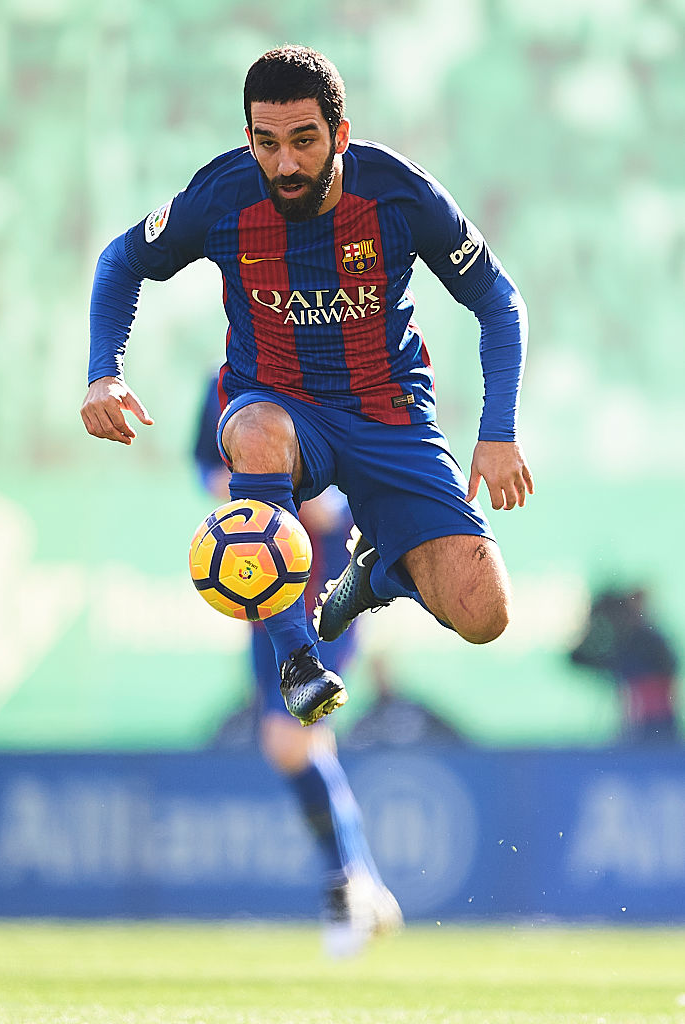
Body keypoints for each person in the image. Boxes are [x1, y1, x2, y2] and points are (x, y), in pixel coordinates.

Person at [81, 45, 533, 734]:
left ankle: (376, 573)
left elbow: (498, 301)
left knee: (483, 614)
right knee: (253, 431)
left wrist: (498, 433)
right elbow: (121, 261)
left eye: (303, 141)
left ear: (340, 134)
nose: (286, 163)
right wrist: (104, 372)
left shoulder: (399, 193)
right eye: (267, 144)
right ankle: (296, 658)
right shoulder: (221, 196)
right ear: (249, 139)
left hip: (390, 416)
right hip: (280, 408)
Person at [194, 374, 402, 955]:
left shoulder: (336, 367)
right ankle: (364, 884)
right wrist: (237, 487)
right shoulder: (222, 381)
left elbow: (356, 485)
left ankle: (348, 886)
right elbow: (203, 462)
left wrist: (312, 499)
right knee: (299, 744)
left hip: (327, 587)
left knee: (290, 740)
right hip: (261, 589)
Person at [569, 586, 680, 745]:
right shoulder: (627, 640)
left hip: (654, 720)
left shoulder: (646, 640)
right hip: (639, 722)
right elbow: (578, 658)